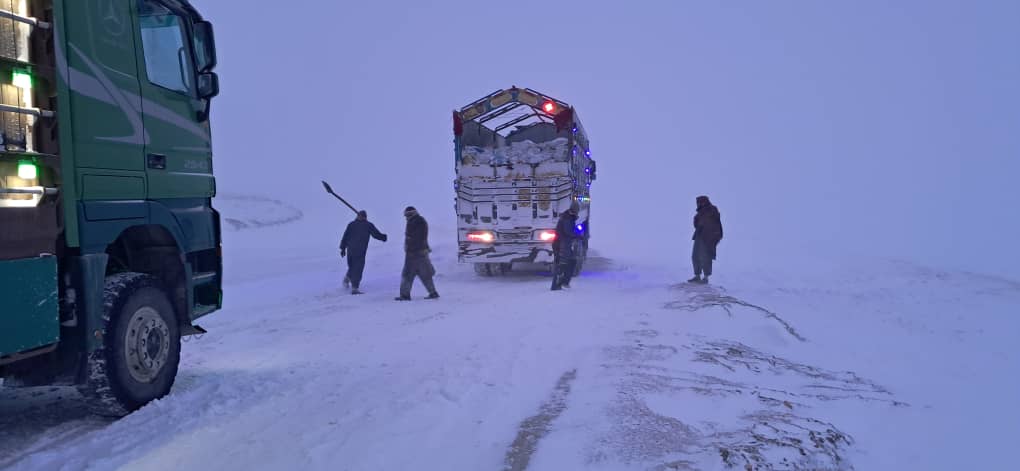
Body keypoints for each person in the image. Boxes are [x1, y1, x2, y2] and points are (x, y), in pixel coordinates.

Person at [396, 206, 440, 300]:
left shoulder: (417, 221)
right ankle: (433, 292)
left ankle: (405, 295)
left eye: (407, 215)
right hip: (421, 252)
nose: (406, 217)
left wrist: (410, 244)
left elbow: (417, 237)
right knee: (425, 274)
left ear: (411, 214)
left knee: (407, 274)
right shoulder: (418, 221)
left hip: (414, 253)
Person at [340, 210, 387, 294]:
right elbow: (346, 236)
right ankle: (355, 288)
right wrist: (383, 237)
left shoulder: (354, 224)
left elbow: (375, 234)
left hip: (351, 250)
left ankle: (347, 279)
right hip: (359, 251)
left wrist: (343, 248)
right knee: (358, 268)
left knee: (353, 267)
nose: (361, 217)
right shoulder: (366, 225)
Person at [689, 195, 723, 284]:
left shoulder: (712, 210)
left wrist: (714, 237)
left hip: (708, 237)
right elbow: (697, 224)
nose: (698, 204)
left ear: (704, 202)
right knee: (695, 256)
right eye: (698, 203)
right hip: (699, 236)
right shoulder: (700, 212)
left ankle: (706, 277)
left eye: (700, 202)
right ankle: (697, 276)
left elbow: (714, 224)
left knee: (706, 257)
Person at [551, 201, 581, 291]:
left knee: (566, 262)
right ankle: (559, 284)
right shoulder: (568, 218)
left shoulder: (568, 216)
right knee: (565, 263)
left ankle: (560, 284)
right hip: (562, 244)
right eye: (577, 210)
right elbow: (568, 232)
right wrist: (579, 236)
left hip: (561, 243)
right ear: (575, 209)